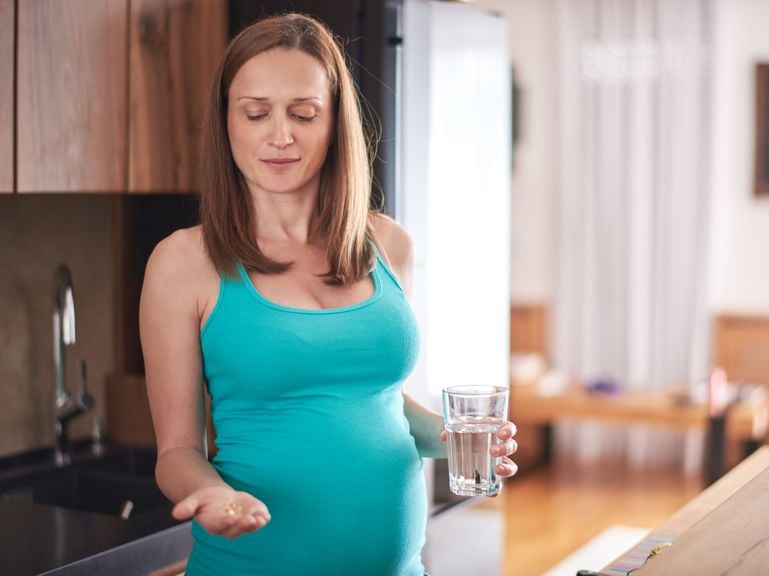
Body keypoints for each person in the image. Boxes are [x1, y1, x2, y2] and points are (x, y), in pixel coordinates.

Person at [139, 13, 518, 576]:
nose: (281, 135)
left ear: (335, 122)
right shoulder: (183, 263)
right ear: (226, 123)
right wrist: (213, 496)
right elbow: (177, 452)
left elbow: (381, 404)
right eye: (256, 113)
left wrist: (453, 437)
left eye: (304, 113)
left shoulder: (388, 244)